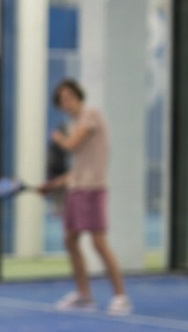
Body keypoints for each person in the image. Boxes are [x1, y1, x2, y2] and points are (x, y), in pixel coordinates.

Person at [38, 78, 132, 316]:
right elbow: (78, 165)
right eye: (62, 100)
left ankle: (121, 297)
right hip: (75, 188)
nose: (67, 102)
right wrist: (53, 184)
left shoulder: (91, 116)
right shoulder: (72, 124)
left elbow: (72, 146)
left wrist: (59, 139)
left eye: (70, 96)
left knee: (98, 243)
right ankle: (84, 296)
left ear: (79, 96)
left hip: (93, 189)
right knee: (70, 240)